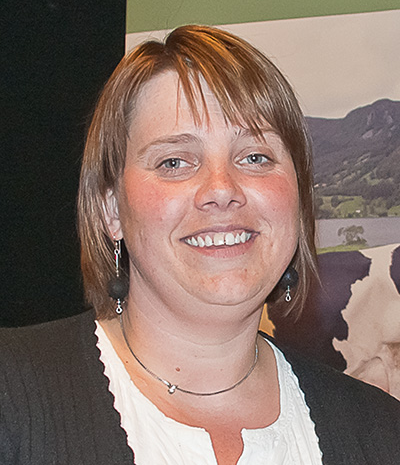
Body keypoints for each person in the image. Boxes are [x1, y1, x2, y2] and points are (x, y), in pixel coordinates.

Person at [1, 24, 399, 465]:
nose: (221, 189)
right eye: (174, 162)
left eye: (255, 157)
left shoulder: (382, 433)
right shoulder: (12, 396)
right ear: (111, 210)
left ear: (300, 199)